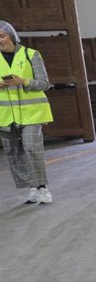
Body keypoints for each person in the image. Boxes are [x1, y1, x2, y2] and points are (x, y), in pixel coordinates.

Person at [0, 21, 52, 204]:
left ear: (12, 36)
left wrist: (23, 82)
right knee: (14, 153)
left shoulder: (31, 55)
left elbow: (44, 83)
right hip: (5, 116)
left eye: (2, 36)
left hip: (32, 113)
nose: (0, 41)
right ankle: (32, 187)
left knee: (31, 147)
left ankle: (42, 188)